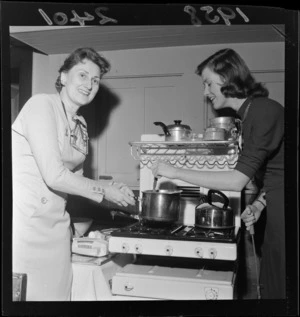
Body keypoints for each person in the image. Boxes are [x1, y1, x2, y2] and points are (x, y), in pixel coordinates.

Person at [151, 48, 284, 299]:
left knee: (279, 290)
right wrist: (258, 204)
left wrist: (174, 171)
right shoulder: (248, 115)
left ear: (227, 78)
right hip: (275, 207)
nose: (205, 92)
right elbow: (278, 171)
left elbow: (236, 180)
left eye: (208, 83)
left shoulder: (263, 110)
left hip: (285, 214)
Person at [12, 47, 136, 301]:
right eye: (82, 75)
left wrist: (113, 191)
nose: (89, 84)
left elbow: (76, 181)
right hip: (26, 226)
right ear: (64, 76)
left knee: (57, 297)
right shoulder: (41, 105)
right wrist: (104, 192)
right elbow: (54, 175)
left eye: (95, 80)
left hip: (57, 227)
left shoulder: (81, 124)